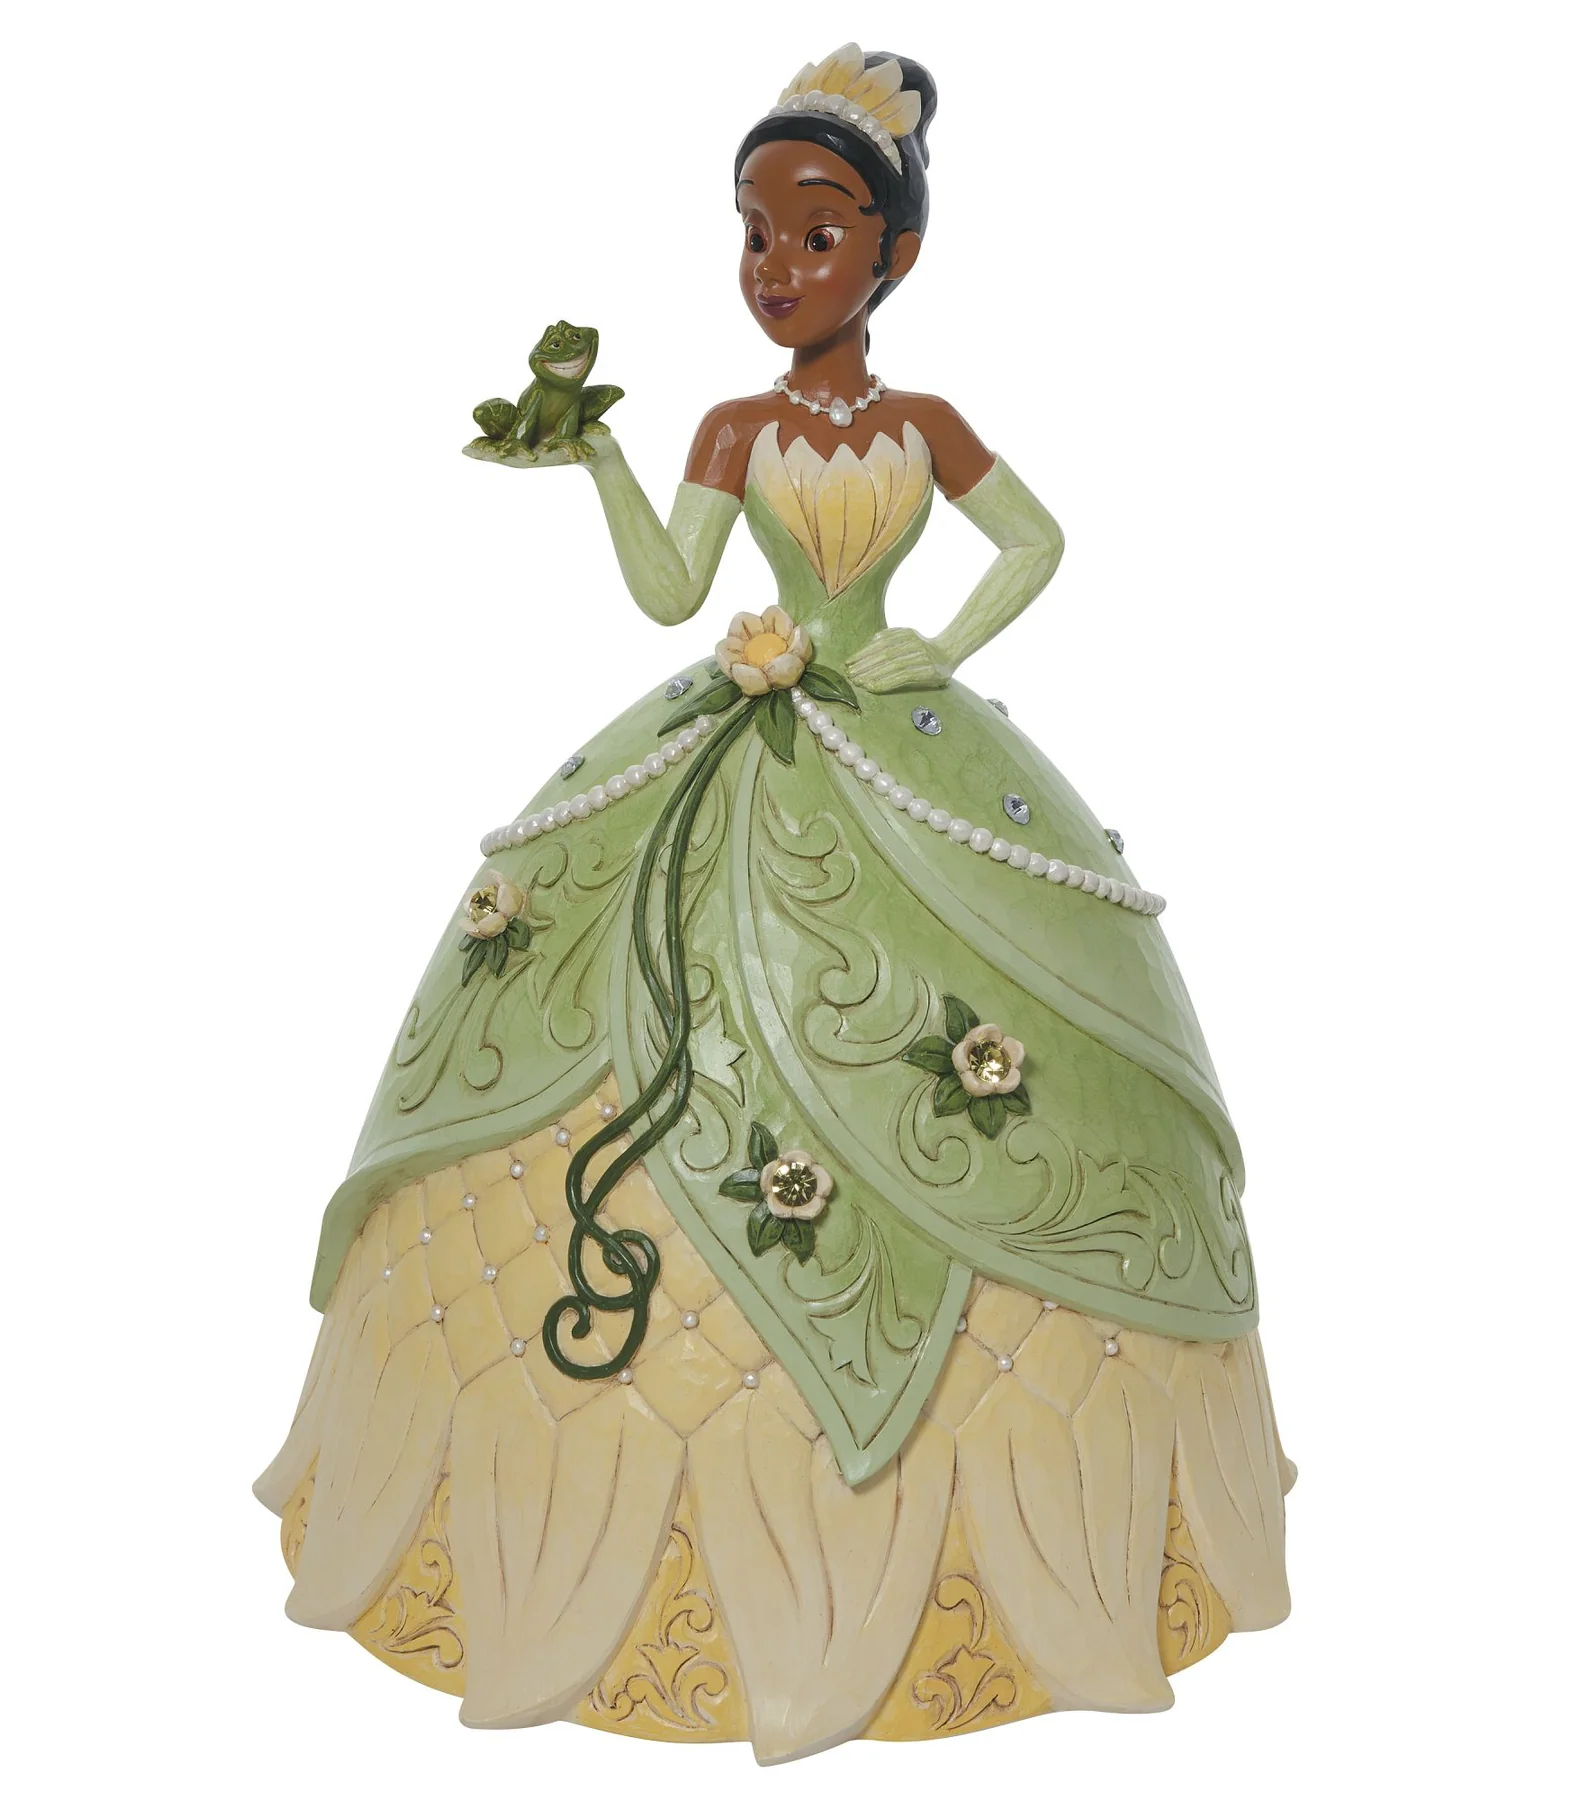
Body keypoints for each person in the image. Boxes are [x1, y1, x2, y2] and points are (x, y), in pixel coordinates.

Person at [257, 43, 1292, 1763]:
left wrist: (934, 648)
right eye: (754, 234)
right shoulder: (732, 429)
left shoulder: (923, 428)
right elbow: (676, 589)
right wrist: (600, 460)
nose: (777, 267)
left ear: (893, 254)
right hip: (726, 733)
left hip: (899, 739)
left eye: (816, 235)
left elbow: (1035, 543)